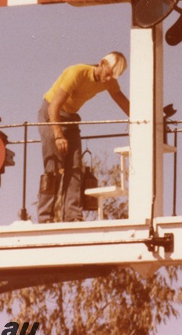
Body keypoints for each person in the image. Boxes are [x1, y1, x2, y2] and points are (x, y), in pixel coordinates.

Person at [37, 52, 130, 223]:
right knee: (55, 166)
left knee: (74, 166)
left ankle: (72, 216)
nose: (109, 79)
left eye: (114, 77)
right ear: (101, 63)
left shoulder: (108, 80)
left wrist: (143, 118)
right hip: (51, 114)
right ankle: (45, 218)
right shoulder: (77, 73)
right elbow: (53, 107)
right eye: (108, 73)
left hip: (71, 117)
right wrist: (58, 136)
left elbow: (120, 99)